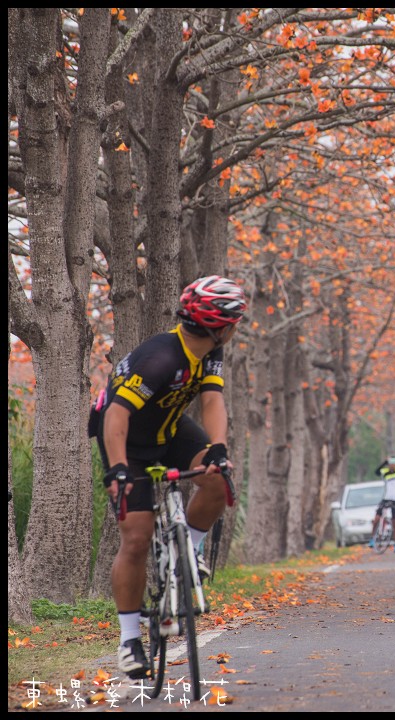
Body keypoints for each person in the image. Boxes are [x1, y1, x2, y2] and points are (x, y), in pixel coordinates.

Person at [91, 275, 247, 679]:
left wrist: (219, 447)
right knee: (137, 537)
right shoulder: (160, 359)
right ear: (223, 327)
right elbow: (116, 415)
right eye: (237, 323)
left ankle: (188, 551)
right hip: (127, 442)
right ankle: (129, 640)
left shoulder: (209, 350)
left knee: (217, 478)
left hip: (170, 430)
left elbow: (212, 399)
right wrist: (119, 469)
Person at [369, 456, 395, 553]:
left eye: (394, 463)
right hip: (385, 498)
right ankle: (372, 538)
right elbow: (376, 472)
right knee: (376, 519)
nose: (392, 465)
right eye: (391, 463)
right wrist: (384, 462)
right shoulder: (384, 471)